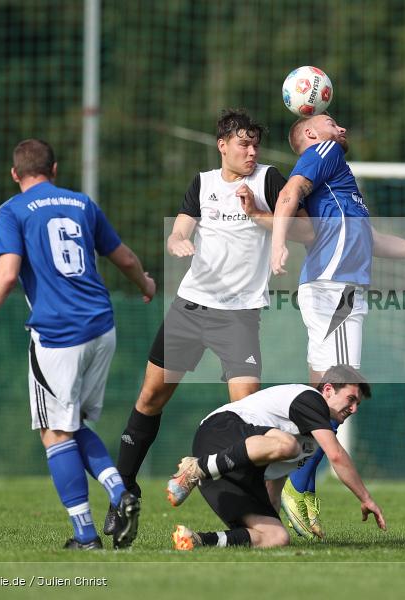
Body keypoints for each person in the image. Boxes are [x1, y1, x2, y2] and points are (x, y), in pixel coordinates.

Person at [109, 109, 313, 545]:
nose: (252, 151)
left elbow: (307, 232)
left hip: (239, 318)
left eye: (255, 143)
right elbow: (180, 230)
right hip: (190, 308)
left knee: (248, 416)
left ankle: (247, 514)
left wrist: (259, 213)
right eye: (243, 143)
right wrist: (179, 239)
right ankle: (122, 492)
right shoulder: (202, 183)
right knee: (150, 397)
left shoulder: (269, 180)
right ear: (222, 145)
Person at [0, 139, 156, 550]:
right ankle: (120, 492)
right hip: (102, 327)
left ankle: (88, 532)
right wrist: (146, 284)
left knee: (54, 432)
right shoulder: (82, 203)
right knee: (73, 423)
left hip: (59, 335)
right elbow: (126, 259)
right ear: (54, 169)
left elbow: (7, 275)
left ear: (15, 174)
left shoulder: (11, 210)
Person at [270, 113, 405, 540]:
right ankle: (296, 487)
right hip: (336, 291)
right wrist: (279, 243)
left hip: (338, 292)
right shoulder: (325, 152)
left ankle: (281, 477)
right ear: (309, 134)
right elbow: (288, 194)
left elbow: (372, 241)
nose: (340, 128)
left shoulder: (339, 179)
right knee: (344, 396)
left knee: (320, 399)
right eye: (329, 121)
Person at [165, 364, 386, 550]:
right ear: (328, 390)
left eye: (358, 403)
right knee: (288, 445)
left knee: (277, 537)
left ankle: (198, 540)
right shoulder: (311, 399)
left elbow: (273, 485)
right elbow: (336, 456)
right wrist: (366, 498)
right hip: (219, 433)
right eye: (351, 399)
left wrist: (270, 512)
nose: (354, 408)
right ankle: (196, 469)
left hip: (230, 471)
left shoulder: (309, 443)